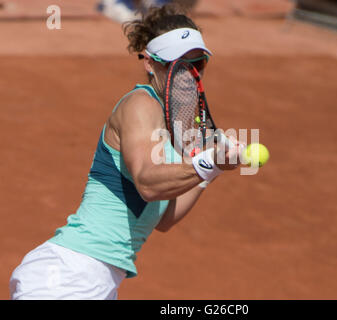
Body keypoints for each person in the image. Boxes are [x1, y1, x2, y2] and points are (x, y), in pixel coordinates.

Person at [9, 4, 242, 300]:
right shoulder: (140, 105)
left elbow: (164, 217)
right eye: (177, 64)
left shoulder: (171, 129)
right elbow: (147, 183)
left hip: (97, 280)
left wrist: (212, 171)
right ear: (150, 63)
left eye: (198, 63)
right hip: (69, 276)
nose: (188, 73)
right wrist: (207, 160)